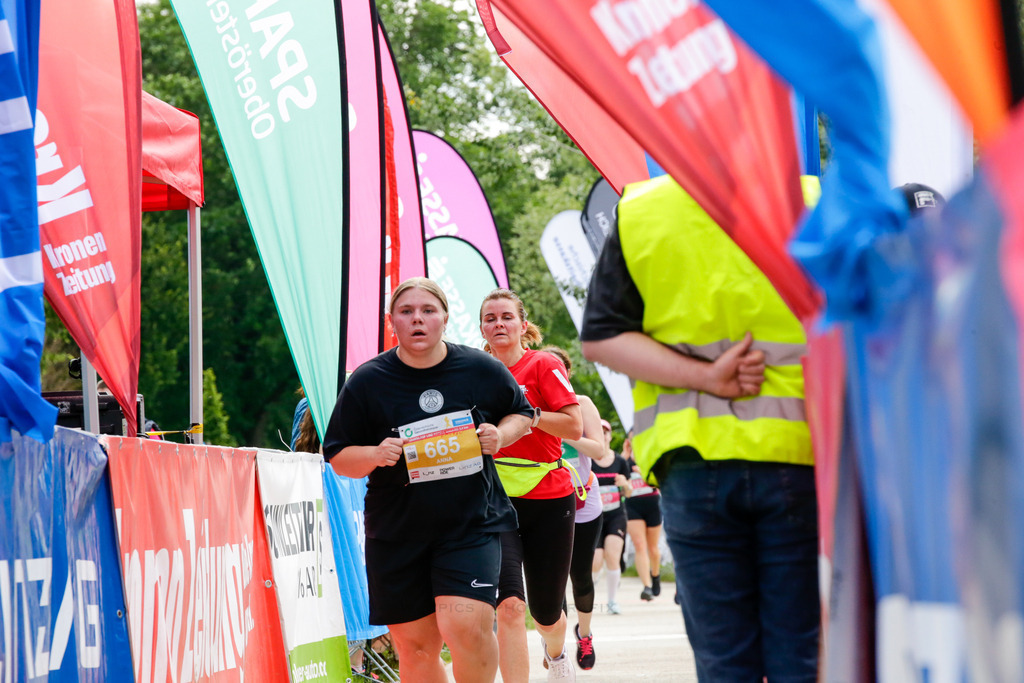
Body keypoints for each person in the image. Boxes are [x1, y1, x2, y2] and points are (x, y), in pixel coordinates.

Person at [580, 174, 819, 681]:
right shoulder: (817, 198)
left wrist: (706, 377)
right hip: (799, 455)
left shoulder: (644, 207)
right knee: (801, 655)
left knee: (723, 660)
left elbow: (601, 337)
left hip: (692, 460)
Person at [323, 277, 534, 683]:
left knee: (466, 629)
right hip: (397, 532)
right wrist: (375, 454)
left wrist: (500, 435)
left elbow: (521, 413)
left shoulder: (478, 368)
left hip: (469, 525)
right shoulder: (368, 381)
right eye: (407, 312)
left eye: (427, 311)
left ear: (445, 319)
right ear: (393, 322)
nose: (417, 320)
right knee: (416, 649)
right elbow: (338, 457)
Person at [480, 289, 583, 683]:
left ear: (523, 326)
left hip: (549, 495)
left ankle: (556, 655)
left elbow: (574, 426)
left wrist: (531, 416)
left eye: (507, 317)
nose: (499, 324)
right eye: (490, 319)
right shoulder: (475, 371)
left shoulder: (543, 364)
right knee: (507, 606)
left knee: (546, 613)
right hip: (496, 497)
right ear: (483, 328)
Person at [543, 346, 604, 670]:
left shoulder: (581, 404)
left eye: (560, 374)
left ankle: (585, 633)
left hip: (584, 498)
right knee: (552, 577)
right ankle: (554, 641)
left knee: (579, 573)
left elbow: (601, 451)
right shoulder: (533, 406)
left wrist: (570, 428)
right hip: (548, 497)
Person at [589, 420, 632, 614]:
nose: (603, 434)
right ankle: (591, 588)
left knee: (613, 556)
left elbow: (629, 492)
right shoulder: (587, 460)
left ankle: (613, 601)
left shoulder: (620, 462)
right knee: (596, 561)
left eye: (606, 432)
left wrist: (624, 483)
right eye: (599, 431)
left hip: (616, 514)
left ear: (610, 436)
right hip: (595, 516)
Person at [622, 429, 664, 600]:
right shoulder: (624, 459)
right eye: (631, 438)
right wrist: (625, 454)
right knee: (639, 544)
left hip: (652, 503)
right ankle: (646, 587)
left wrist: (644, 473)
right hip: (632, 505)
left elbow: (662, 481)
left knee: (653, 548)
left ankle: (655, 576)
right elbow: (611, 469)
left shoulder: (651, 454)